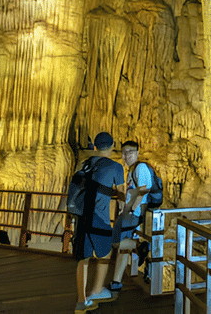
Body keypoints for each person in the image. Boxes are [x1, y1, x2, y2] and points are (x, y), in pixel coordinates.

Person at [73, 132, 125, 314]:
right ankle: (96, 291)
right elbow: (121, 196)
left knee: (83, 259)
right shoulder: (116, 167)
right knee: (105, 254)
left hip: (81, 217)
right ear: (112, 146)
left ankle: (82, 301)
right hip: (100, 218)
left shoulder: (85, 164)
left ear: (94, 147)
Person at [109, 140, 152, 293]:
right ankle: (116, 281)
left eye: (130, 152)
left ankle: (141, 247)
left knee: (114, 242)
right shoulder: (132, 170)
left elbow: (143, 191)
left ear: (137, 153)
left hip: (133, 214)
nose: (126, 156)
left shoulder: (141, 168)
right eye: (124, 152)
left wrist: (133, 210)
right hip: (128, 212)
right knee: (121, 248)